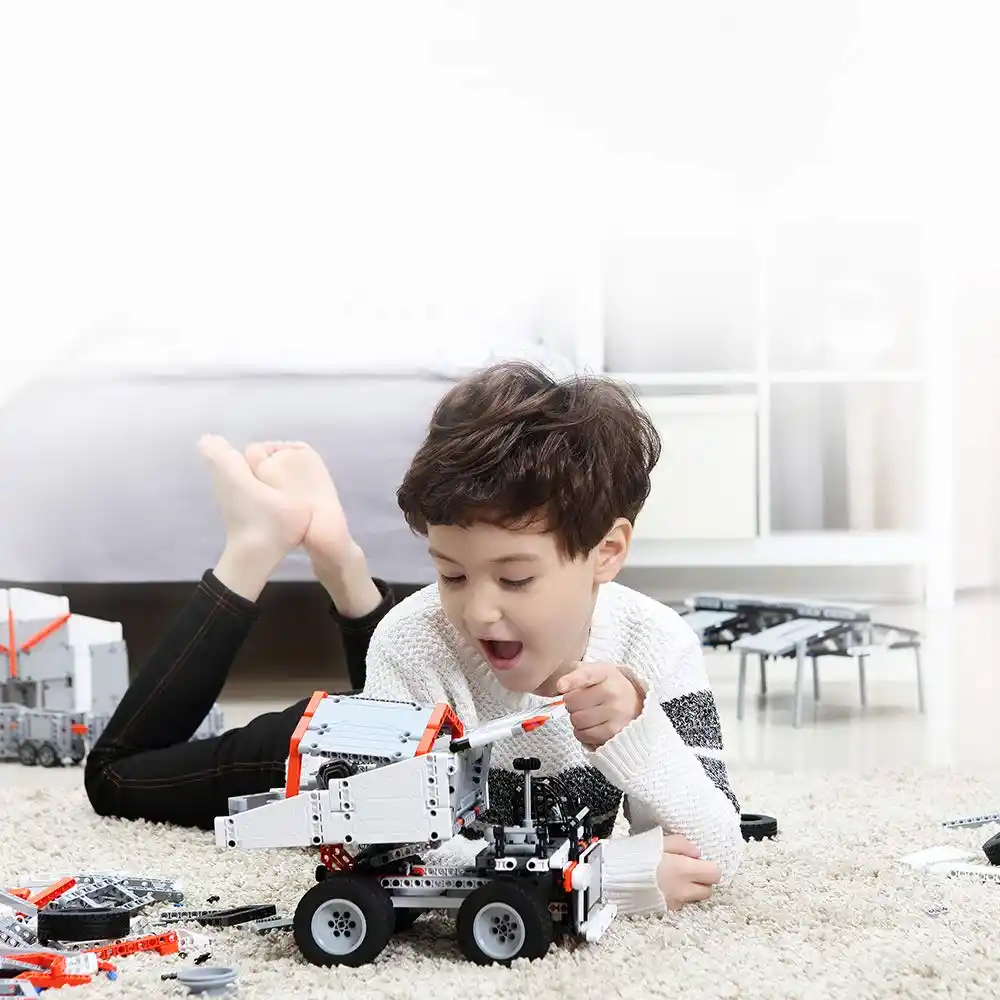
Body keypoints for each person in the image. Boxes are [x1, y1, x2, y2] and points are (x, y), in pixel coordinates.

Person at [85, 361, 743, 916]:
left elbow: (716, 848)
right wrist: (599, 877)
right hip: (349, 743)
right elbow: (393, 856)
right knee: (114, 776)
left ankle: (340, 563)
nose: (479, 609)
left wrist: (637, 732)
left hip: (422, 702)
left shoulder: (657, 644)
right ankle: (258, 544)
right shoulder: (417, 638)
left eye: (515, 578)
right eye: (450, 572)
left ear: (607, 552)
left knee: (427, 651)